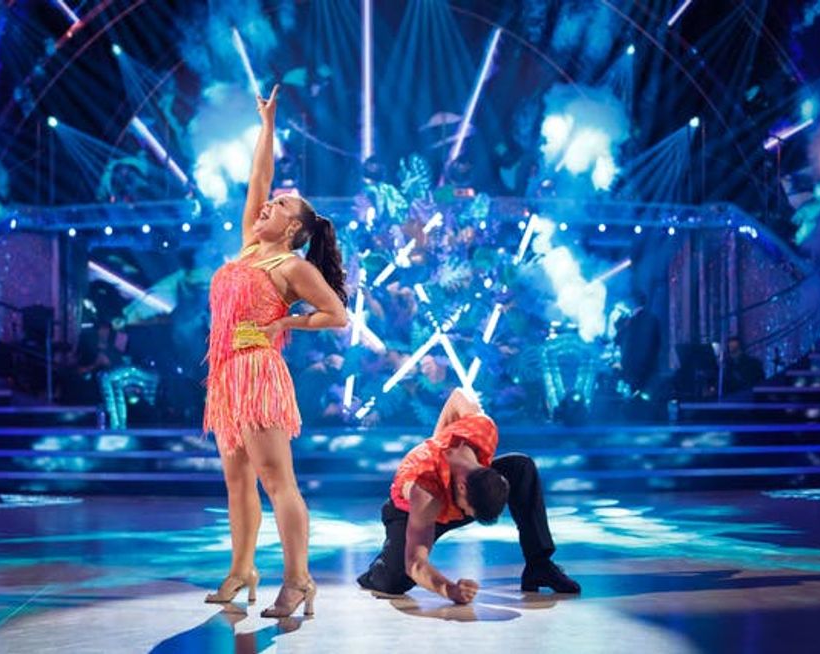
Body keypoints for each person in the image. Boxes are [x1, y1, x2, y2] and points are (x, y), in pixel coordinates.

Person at [202, 85, 348, 618]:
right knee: (236, 479)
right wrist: (266, 127)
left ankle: (298, 578)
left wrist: (288, 322)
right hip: (225, 376)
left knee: (276, 481)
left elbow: (337, 314)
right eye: (272, 202)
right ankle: (242, 569)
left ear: (294, 228)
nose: (268, 204)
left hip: (259, 373)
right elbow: (257, 180)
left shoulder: (292, 266)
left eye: (281, 205)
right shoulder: (248, 246)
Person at [357, 388, 580, 603]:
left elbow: (458, 395)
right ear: (462, 488)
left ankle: (539, 564)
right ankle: (379, 570)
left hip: (456, 488)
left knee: (521, 467)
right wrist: (449, 590)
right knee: (394, 581)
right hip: (412, 512)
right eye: (468, 511)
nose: (467, 515)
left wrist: (437, 438)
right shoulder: (425, 490)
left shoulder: (483, 430)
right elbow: (415, 563)